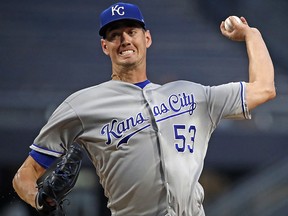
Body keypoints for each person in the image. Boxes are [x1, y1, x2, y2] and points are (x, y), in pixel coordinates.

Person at [12, 2, 276, 216]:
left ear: (147, 38)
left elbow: (264, 88)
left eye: (131, 32)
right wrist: (39, 200)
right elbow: (24, 175)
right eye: (114, 35)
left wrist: (252, 34)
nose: (124, 39)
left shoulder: (193, 94)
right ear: (105, 47)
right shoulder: (81, 104)